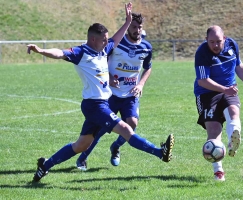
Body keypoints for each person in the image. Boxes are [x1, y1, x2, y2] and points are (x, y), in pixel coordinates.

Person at [27, 2, 175, 182]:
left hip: (101, 104)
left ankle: (45, 165)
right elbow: (60, 52)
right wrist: (41, 50)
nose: (108, 42)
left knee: (81, 145)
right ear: (93, 39)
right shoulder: (81, 52)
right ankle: (161, 153)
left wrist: (128, 22)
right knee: (126, 129)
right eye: (104, 39)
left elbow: (116, 39)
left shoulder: (103, 49)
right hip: (94, 105)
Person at [76, 12, 152, 169]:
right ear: (128, 28)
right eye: (134, 27)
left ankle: (116, 147)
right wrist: (109, 77)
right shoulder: (116, 44)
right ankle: (83, 158)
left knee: (132, 123)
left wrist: (141, 84)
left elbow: (148, 68)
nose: (137, 30)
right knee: (101, 129)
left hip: (130, 94)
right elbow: (100, 59)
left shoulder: (146, 47)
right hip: (110, 94)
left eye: (140, 27)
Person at [193, 25, 243, 181]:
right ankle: (218, 171)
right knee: (214, 131)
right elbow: (203, 81)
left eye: (218, 41)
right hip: (207, 94)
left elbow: (238, 65)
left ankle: (232, 143)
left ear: (225, 39)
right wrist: (224, 89)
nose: (215, 45)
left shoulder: (232, 45)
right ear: (206, 40)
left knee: (234, 112)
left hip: (229, 89)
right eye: (211, 42)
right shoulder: (202, 53)